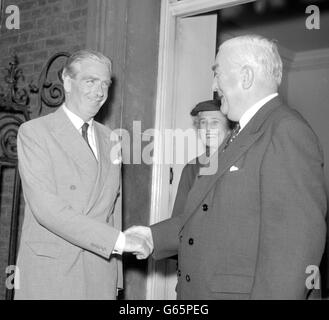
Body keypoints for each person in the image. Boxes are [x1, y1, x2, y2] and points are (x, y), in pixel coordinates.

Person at [125, 34, 327, 299]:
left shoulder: (286, 131)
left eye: (218, 73)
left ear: (245, 77)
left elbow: (293, 249)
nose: (213, 84)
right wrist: (152, 237)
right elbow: (210, 216)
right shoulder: (239, 134)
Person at [15, 49, 151, 300]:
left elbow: (113, 210)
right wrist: (119, 242)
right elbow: (47, 210)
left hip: (100, 271)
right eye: (90, 81)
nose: (99, 92)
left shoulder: (111, 139)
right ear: (67, 82)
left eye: (105, 84)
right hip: (52, 273)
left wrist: (117, 277)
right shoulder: (35, 133)